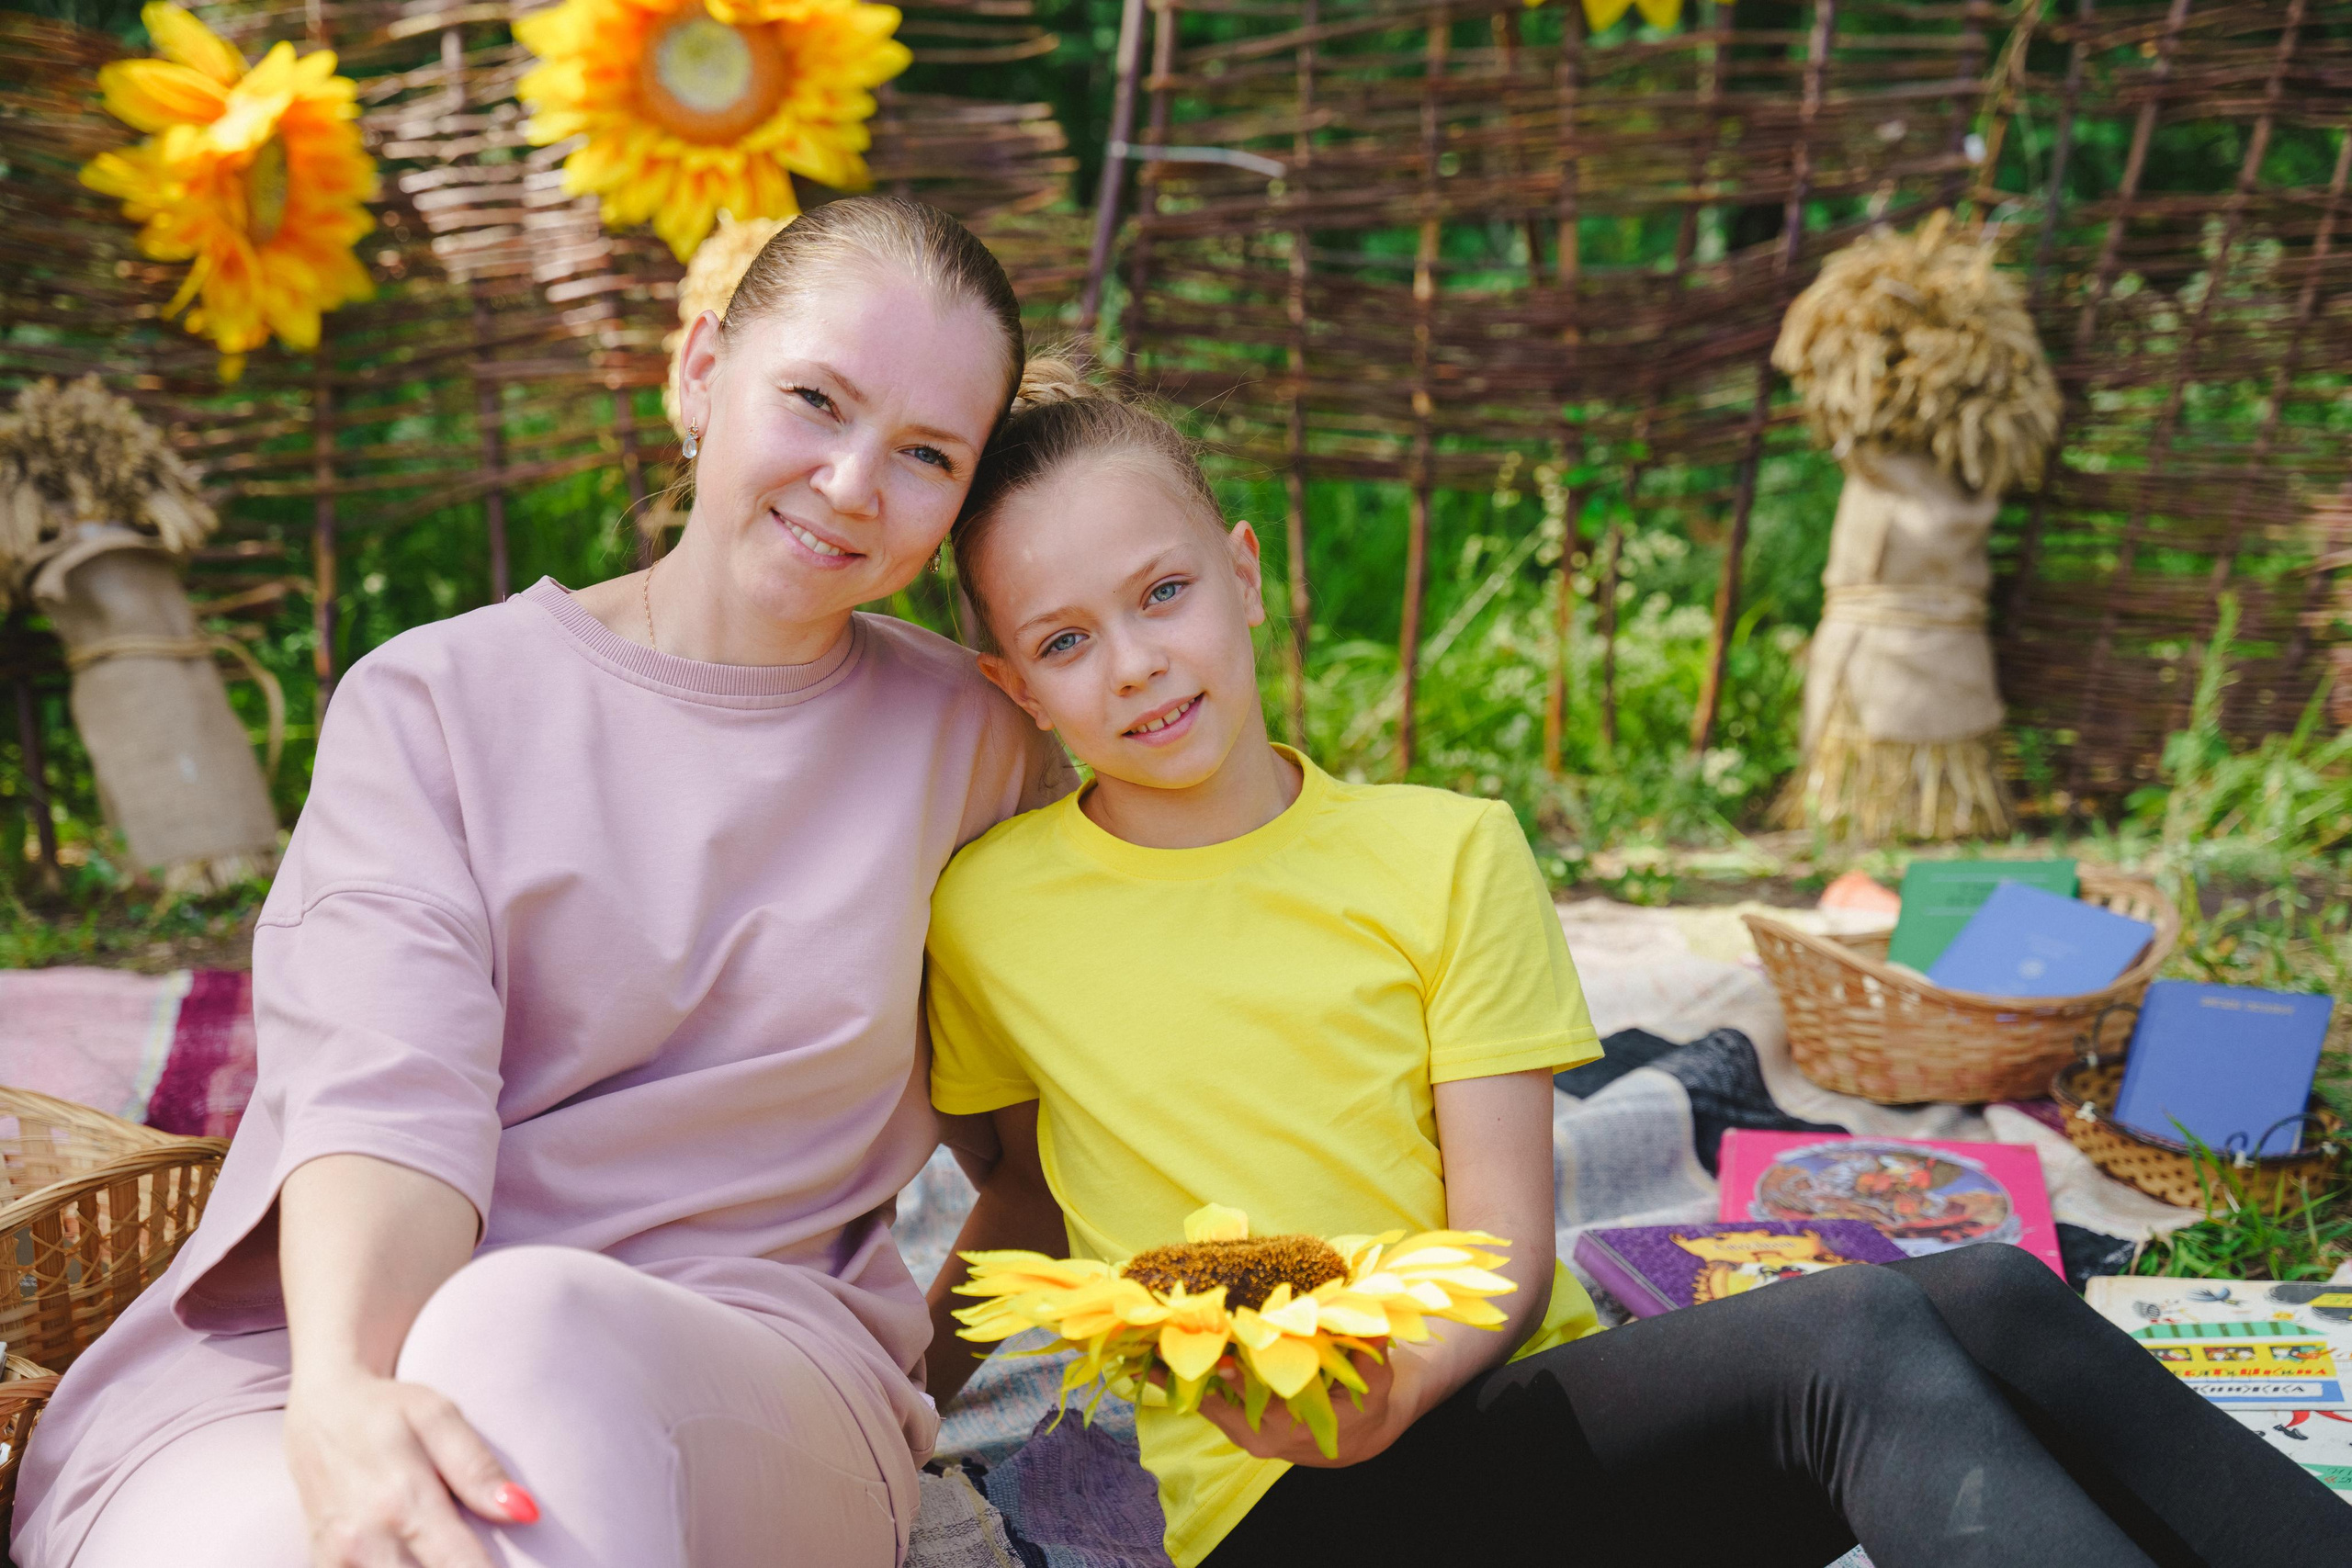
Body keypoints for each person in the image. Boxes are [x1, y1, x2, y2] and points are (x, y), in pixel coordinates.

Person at [917, 364, 2352, 1568]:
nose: (1136, 665)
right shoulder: (993, 912)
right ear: (1013, 686)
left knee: (1984, 1291)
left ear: (1242, 574)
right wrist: (896, 1400)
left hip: (1514, 1413)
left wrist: (1399, 1381)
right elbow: (1024, 1197)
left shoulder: (1445, 853)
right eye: (1065, 639)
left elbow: (1496, 1250)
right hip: (1290, 1503)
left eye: (1162, 591)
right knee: (1854, 1336)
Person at [14, 197, 1073, 1568]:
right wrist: (341, 1395)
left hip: (740, 1378)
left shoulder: (976, 748)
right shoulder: (436, 703)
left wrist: (895, 1396)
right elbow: (389, 1090)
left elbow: (1039, 1156)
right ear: (701, 374)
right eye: (815, 399)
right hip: (312, 1355)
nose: (855, 482)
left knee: (527, 1328)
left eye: (926, 454)